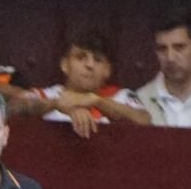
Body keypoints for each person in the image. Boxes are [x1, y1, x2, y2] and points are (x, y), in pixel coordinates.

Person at [14, 30, 150, 138]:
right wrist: (56, 104)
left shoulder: (122, 96)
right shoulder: (46, 95)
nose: (90, 65)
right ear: (64, 65)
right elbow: (12, 109)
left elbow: (145, 121)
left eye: (97, 60)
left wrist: (96, 101)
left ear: (107, 70)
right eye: (80, 57)